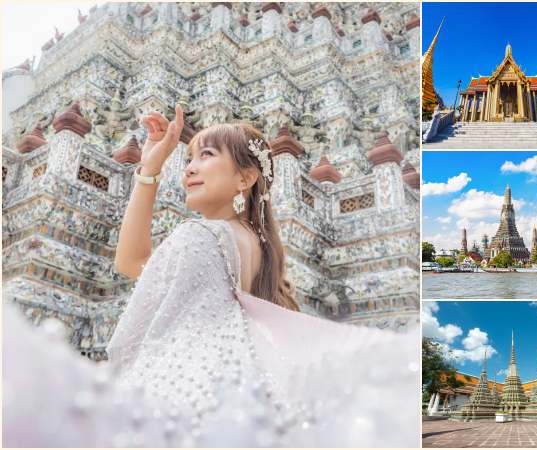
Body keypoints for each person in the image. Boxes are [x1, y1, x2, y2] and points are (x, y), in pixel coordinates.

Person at [105, 104, 420, 447]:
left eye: (205, 154)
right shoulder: (255, 244)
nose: (189, 169)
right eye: (188, 160)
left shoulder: (201, 235)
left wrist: (149, 171)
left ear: (245, 178)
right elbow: (134, 263)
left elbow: (136, 272)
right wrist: (150, 167)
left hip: (185, 410)